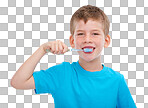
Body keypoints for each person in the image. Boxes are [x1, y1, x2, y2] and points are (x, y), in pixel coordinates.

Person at [11, 5, 137, 108]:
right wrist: (43, 49)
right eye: (81, 34)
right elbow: (18, 82)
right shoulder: (61, 74)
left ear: (106, 41)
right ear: (72, 41)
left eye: (95, 33)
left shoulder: (117, 80)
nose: (87, 39)